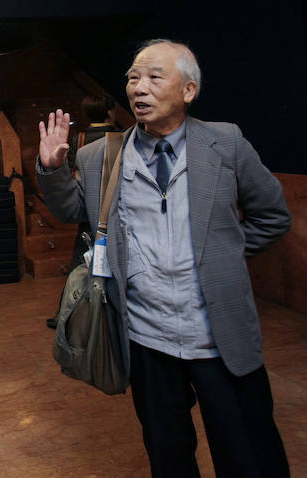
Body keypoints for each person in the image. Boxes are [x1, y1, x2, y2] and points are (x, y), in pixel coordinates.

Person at [36, 39, 290, 477]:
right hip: (146, 338)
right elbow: (71, 211)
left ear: (188, 90)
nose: (139, 87)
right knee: (168, 454)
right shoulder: (101, 156)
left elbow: (272, 215)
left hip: (218, 336)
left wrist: (222, 255)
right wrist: (53, 169)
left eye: (155, 77)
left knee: (249, 454)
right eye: (133, 77)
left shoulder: (225, 144)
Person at [45, 94, 122, 329]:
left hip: (87, 209)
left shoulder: (78, 138)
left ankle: (66, 314)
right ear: (110, 111)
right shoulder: (120, 139)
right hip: (112, 210)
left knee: (78, 270)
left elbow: (71, 176)